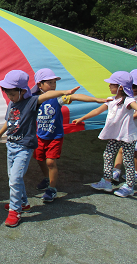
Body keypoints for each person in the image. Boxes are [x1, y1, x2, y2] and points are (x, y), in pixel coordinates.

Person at [0, 70, 79, 227]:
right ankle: (23, 203)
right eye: (7, 93)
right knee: (13, 178)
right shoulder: (12, 103)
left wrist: (65, 92)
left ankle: (15, 210)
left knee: (15, 179)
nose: (9, 97)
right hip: (10, 146)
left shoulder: (31, 102)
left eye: (12, 94)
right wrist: (0, 133)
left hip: (24, 148)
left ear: (23, 91)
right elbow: (9, 121)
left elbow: (46, 96)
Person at [73, 71, 137, 197]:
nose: (109, 86)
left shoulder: (128, 101)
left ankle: (130, 186)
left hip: (127, 136)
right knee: (108, 155)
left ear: (120, 87)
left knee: (128, 160)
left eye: (112, 84)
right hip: (115, 135)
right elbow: (97, 110)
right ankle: (107, 181)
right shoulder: (111, 100)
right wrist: (82, 118)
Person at [31, 68, 111, 203]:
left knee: (50, 161)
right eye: (49, 83)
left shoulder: (57, 98)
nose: (53, 85)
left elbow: (75, 96)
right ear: (40, 84)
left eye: (54, 82)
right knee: (39, 159)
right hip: (40, 136)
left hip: (55, 136)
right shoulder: (34, 99)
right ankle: (47, 178)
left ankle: (52, 188)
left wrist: (96, 100)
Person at [112, 69, 137, 183]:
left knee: (135, 153)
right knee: (121, 150)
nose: (132, 89)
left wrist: (122, 117)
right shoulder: (126, 95)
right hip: (127, 128)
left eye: (135, 87)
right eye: (130, 86)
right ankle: (116, 171)